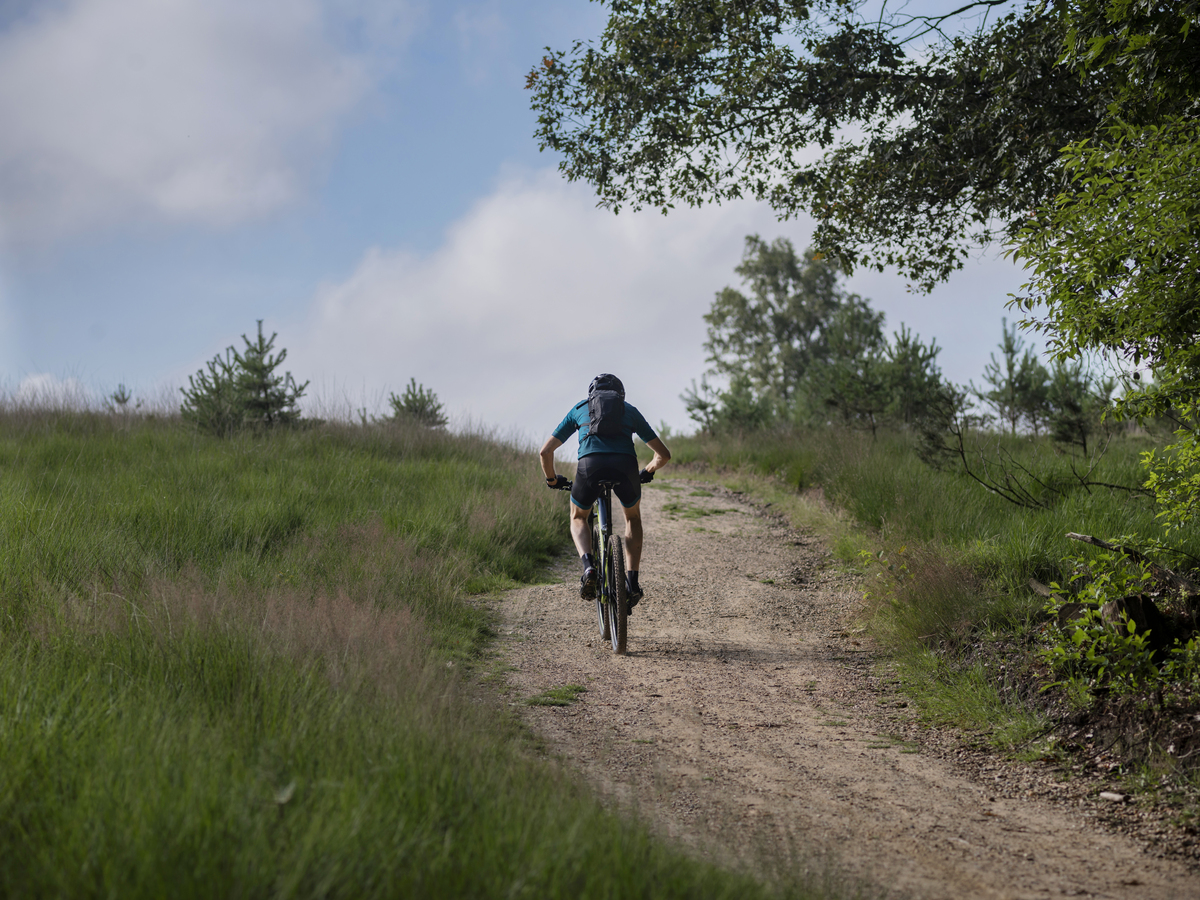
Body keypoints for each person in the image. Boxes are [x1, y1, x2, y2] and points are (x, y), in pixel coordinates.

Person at [539, 374, 671, 608]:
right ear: (621, 395)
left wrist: (552, 479)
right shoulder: (629, 410)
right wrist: (647, 471)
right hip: (625, 467)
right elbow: (664, 455)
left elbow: (545, 452)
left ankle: (589, 568)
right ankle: (632, 582)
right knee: (632, 518)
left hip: (590, 466)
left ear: (591, 395)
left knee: (578, 516)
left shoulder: (579, 409)